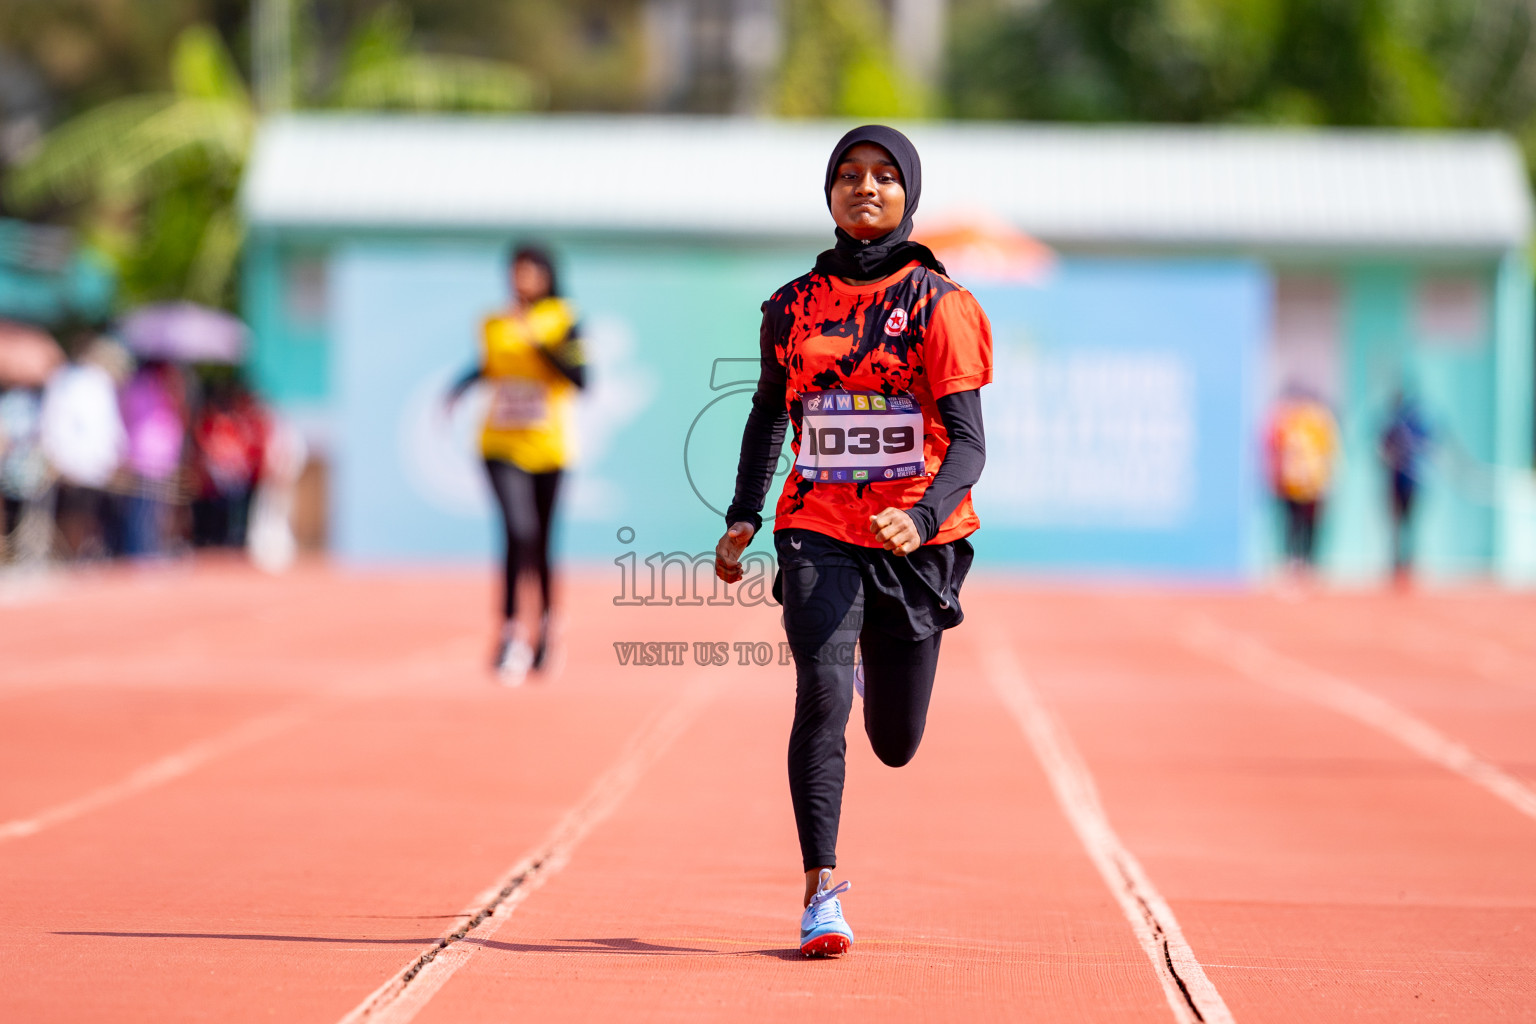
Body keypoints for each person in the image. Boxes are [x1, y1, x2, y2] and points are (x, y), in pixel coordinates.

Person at [714, 125, 991, 958]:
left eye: (883, 177)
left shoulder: (941, 304)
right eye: (848, 175)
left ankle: (882, 653)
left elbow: (969, 441)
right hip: (816, 529)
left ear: (908, 193)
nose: (864, 187)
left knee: (896, 744)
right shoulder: (792, 305)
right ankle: (820, 893)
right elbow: (768, 414)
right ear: (829, 193)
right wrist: (742, 516)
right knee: (822, 699)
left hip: (915, 536)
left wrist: (927, 510)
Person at [447, 245, 586, 684]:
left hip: (549, 447)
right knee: (516, 530)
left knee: (541, 541)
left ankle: (545, 629)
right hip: (500, 445)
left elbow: (580, 379)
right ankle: (509, 633)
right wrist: (457, 388)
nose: (520, 280)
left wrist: (537, 342)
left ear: (546, 276)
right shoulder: (493, 322)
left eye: (529, 272)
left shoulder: (566, 320)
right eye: (515, 272)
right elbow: (489, 368)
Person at [1265, 386, 1338, 575]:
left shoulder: (1320, 424)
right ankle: (1292, 561)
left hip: (1312, 483)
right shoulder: (1291, 422)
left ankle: (1309, 562)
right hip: (1294, 482)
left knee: (1309, 525)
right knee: (1293, 524)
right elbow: (1279, 451)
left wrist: (1328, 478)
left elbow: (1329, 453)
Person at [1379, 389, 1432, 584]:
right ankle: (1398, 565)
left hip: (1410, 482)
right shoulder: (1394, 426)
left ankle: (1407, 564)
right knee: (1398, 524)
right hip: (1397, 481)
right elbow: (1382, 450)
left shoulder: (1414, 425)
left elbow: (1429, 446)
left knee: (1406, 523)